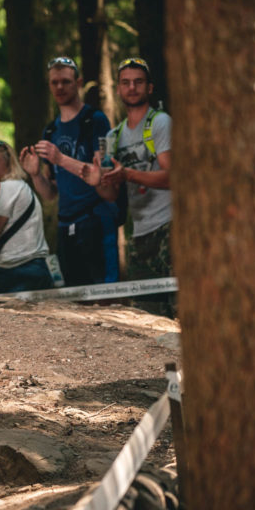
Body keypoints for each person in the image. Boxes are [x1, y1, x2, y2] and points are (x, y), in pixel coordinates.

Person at [20, 56, 118, 286]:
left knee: (105, 297)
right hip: (65, 222)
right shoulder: (51, 130)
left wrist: (61, 158)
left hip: (96, 218)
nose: (60, 87)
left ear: (78, 82)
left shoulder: (95, 121)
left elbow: (106, 180)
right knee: (74, 299)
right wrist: (35, 174)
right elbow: (50, 193)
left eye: (65, 81)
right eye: (54, 82)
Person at [91, 57, 174, 316]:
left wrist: (127, 173)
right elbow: (111, 195)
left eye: (138, 82)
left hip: (170, 229)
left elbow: (172, 177)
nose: (132, 88)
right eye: (125, 83)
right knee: (146, 318)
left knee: (180, 313)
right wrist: (96, 180)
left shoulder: (160, 122)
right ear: (118, 89)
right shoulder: (113, 137)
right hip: (137, 235)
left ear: (149, 88)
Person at [0, 140, 53, 294]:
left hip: (16, 271)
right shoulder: (11, 187)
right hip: (23, 269)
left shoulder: (8, 187)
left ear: (8, 164)